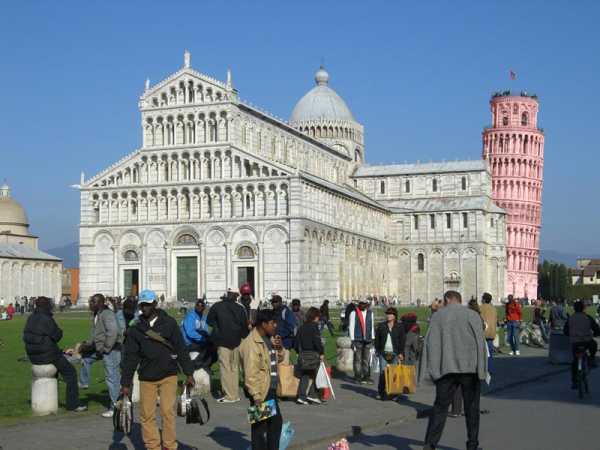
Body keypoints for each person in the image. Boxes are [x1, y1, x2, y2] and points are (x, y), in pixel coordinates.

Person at [120, 289, 194, 450]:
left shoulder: (169, 323)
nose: (144, 308)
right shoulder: (136, 328)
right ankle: (152, 446)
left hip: (168, 374)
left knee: (168, 412)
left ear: (155, 304)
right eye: (142, 305)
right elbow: (131, 358)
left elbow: (181, 348)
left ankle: (169, 445)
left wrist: (189, 373)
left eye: (147, 305)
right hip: (147, 376)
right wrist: (125, 384)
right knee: (147, 415)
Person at [419, 290, 487, 450]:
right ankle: (472, 445)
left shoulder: (438, 317)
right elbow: (480, 344)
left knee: (440, 408)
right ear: (459, 300)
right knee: (472, 408)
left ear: (448, 299)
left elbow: (430, 343)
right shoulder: (472, 315)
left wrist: (430, 371)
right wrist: (482, 370)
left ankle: (430, 445)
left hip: (446, 369)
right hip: (469, 369)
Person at [22, 297, 87, 412]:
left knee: (57, 368)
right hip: (47, 355)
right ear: (48, 306)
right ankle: (73, 404)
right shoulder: (46, 318)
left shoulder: (31, 317)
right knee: (70, 372)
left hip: (33, 355)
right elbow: (57, 336)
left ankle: (50, 399)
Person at [240, 309, 284, 450]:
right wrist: (256, 396)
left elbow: (277, 360)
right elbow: (250, 373)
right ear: (264, 324)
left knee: (272, 424)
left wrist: (279, 349)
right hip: (261, 391)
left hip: (269, 389)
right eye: (273, 323)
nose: (275, 326)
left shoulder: (267, 339)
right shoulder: (251, 344)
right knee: (261, 428)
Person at [78, 293, 122, 417]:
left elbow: (113, 332)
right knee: (86, 359)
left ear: (102, 303)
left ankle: (115, 408)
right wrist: (86, 345)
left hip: (111, 349)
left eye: (94, 302)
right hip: (100, 348)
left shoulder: (107, 314)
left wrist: (106, 348)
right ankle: (84, 382)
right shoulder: (97, 314)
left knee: (112, 378)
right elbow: (96, 334)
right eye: (91, 301)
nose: (91, 304)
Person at [207, 290, 249, 403]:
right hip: (236, 341)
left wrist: (218, 327)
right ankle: (234, 394)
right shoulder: (240, 308)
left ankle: (229, 396)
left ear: (227, 294)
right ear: (236, 296)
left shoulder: (217, 306)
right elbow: (244, 326)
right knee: (234, 368)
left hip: (222, 341)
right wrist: (242, 336)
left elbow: (209, 321)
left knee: (225, 368)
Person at [564, 300, 600, 389]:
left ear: (574, 309)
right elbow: (596, 329)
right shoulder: (587, 317)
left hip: (575, 342)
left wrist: (571, 335)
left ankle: (574, 381)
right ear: (583, 308)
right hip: (586, 341)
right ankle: (591, 359)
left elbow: (565, 331)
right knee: (594, 344)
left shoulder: (570, 318)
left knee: (575, 361)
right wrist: (596, 333)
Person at [374, 307, 406, 400]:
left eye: (390, 314)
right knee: (383, 373)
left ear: (395, 316)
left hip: (395, 353)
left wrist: (401, 353)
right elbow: (377, 339)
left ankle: (394, 393)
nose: (388, 316)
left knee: (394, 374)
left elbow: (402, 340)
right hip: (383, 353)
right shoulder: (381, 326)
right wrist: (378, 350)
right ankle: (381, 392)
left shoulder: (399, 327)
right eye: (387, 314)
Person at [295, 306, 325, 405]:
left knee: (305, 375)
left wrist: (298, 352)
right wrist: (321, 352)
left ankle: (301, 396)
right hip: (313, 354)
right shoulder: (314, 327)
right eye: (318, 317)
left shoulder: (302, 327)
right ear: (315, 317)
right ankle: (313, 394)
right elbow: (317, 342)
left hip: (303, 354)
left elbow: (296, 342)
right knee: (317, 374)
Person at [181, 298, 215, 370]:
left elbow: (205, 330)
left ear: (204, 307)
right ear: (195, 306)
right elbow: (190, 333)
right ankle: (195, 364)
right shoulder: (190, 316)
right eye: (198, 305)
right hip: (188, 342)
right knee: (208, 348)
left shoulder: (203, 317)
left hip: (197, 341)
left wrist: (208, 338)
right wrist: (202, 339)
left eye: (201, 306)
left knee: (214, 347)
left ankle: (206, 366)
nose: (199, 307)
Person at [348, 300, 375, 384]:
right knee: (358, 359)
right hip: (357, 339)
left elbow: (372, 326)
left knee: (366, 359)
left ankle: (366, 376)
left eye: (364, 304)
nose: (362, 306)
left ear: (367, 305)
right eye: (361, 304)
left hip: (368, 339)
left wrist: (373, 338)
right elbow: (351, 327)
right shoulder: (354, 313)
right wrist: (352, 340)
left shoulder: (370, 313)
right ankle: (358, 376)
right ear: (359, 304)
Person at [270, 295, 297, 364]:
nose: (273, 304)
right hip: (274, 343)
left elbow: (291, 327)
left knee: (284, 366)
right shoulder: (272, 312)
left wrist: (280, 335)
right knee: (274, 366)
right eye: (272, 302)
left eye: (276, 302)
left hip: (285, 343)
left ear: (280, 302)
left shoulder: (286, 311)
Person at [479, 292, 497, 373]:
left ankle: (483, 369)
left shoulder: (481, 308)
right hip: (491, 331)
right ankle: (489, 368)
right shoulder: (493, 308)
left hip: (483, 331)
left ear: (484, 299)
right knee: (490, 351)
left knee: (482, 352)